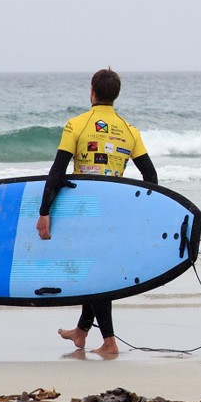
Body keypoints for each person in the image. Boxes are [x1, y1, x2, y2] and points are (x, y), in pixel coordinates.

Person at [37, 68, 158, 356]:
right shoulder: (130, 131)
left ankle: (109, 342)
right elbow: (150, 177)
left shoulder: (76, 125)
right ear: (116, 95)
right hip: (115, 213)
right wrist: (139, 212)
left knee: (94, 275)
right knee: (96, 270)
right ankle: (81, 332)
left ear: (92, 91)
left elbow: (57, 170)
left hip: (85, 210)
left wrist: (44, 212)